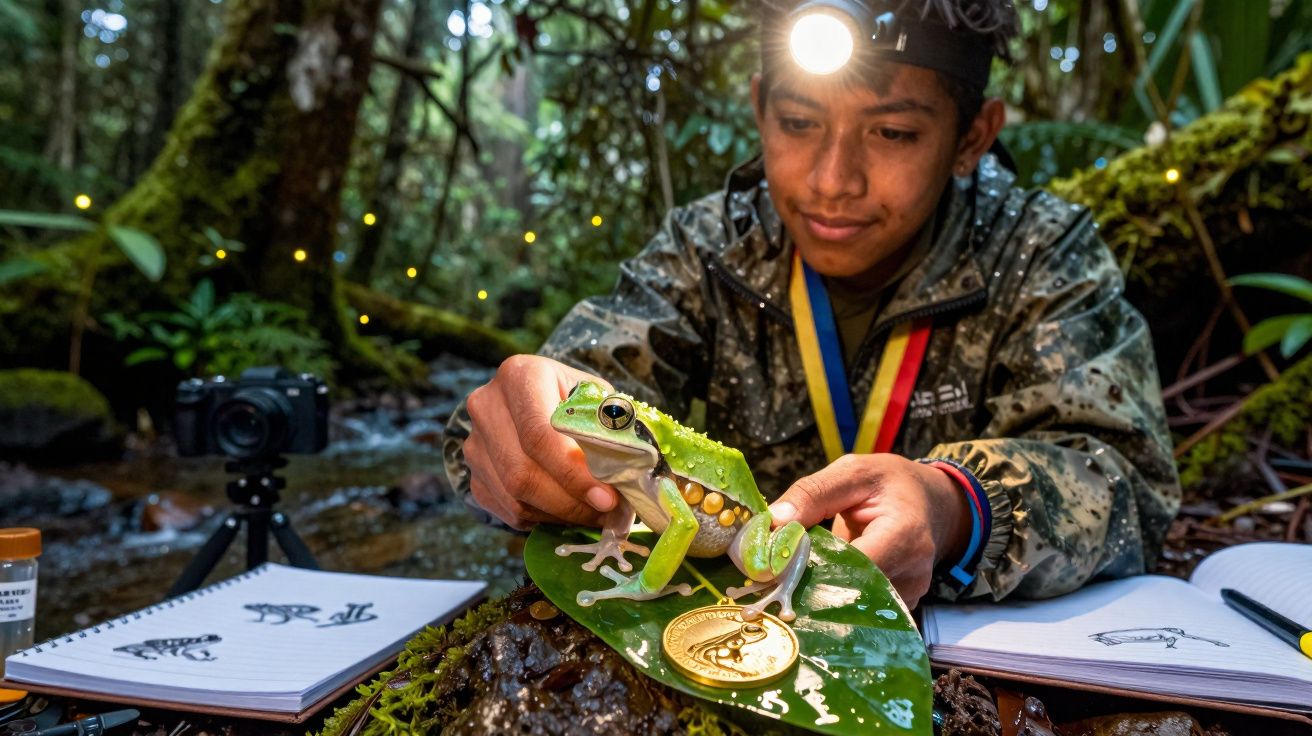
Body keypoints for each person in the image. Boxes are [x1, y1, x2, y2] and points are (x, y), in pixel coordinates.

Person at [442, 0, 1181, 609]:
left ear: (972, 137)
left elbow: (1130, 484)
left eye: (892, 132)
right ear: (761, 108)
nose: (833, 179)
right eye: (799, 123)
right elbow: (570, 387)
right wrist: (516, 433)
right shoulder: (711, 243)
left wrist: (955, 507)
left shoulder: (1039, 249)